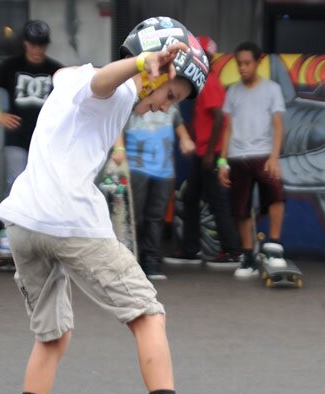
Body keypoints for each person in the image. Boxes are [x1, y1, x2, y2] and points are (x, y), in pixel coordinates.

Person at [0, 16, 225, 394]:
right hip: (70, 222)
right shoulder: (115, 87)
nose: (162, 106)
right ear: (157, 73)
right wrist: (142, 62)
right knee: (147, 313)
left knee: (52, 336)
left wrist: (136, 66)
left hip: (24, 224)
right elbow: (103, 82)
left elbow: (70, 78)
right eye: (170, 95)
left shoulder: (70, 78)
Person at [0, 20, 63, 270]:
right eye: (33, 44)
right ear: (25, 43)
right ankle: (7, 239)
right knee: (15, 185)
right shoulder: (12, 66)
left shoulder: (55, 70)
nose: (37, 49)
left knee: (43, 189)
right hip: (16, 139)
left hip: (44, 141)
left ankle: (38, 242)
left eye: (42, 44)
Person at [165, 35, 241, 268]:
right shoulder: (204, 81)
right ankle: (191, 250)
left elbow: (220, 118)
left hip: (209, 153)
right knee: (190, 199)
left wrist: (209, 153)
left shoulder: (209, 81)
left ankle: (232, 251)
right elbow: (209, 119)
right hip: (203, 151)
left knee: (216, 202)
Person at [218, 41, 286, 279]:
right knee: (241, 208)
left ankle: (274, 249)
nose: (243, 68)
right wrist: (222, 162)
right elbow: (227, 128)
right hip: (237, 157)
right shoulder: (233, 91)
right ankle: (248, 256)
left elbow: (278, 126)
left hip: (264, 155)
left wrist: (275, 157)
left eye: (247, 63)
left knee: (277, 195)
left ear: (258, 62)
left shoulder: (272, 89)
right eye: (239, 64)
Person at [111, 105, 195, 280]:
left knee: (156, 217)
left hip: (164, 169)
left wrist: (185, 139)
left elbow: (179, 125)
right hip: (136, 167)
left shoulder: (170, 103)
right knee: (134, 217)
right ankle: (128, 261)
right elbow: (117, 125)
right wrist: (119, 148)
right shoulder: (134, 101)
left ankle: (152, 261)